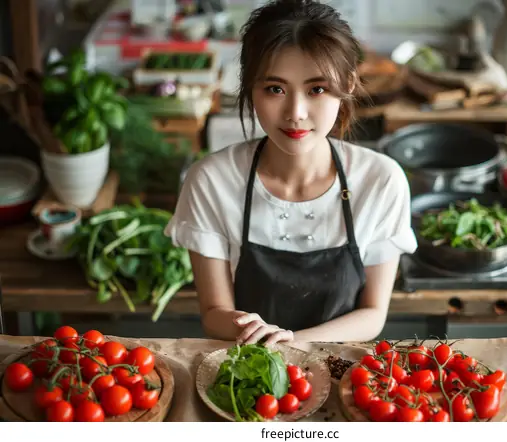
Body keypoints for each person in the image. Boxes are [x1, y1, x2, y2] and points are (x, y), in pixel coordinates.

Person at [164, 0, 417, 345]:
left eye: (317, 89)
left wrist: (292, 341)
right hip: (250, 370)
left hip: (343, 370)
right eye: (275, 89)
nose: (295, 113)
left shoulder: (381, 181)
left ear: (348, 84)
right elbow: (213, 314)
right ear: (250, 89)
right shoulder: (211, 181)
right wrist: (257, 336)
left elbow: (372, 314)